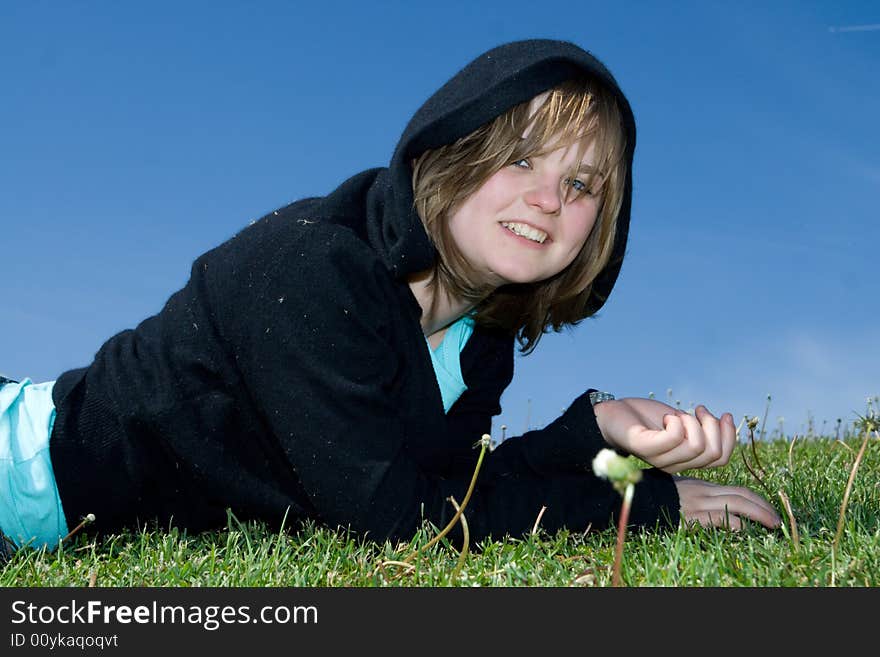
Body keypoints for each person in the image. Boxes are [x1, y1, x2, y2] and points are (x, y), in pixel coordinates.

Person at [0, 39, 780, 558]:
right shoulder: (316, 269)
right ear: (454, 147)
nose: (548, 199)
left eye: (580, 185)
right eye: (520, 160)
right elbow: (392, 523)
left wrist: (596, 431)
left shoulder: (479, 339)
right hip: (27, 474)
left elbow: (454, 490)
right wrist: (639, 509)